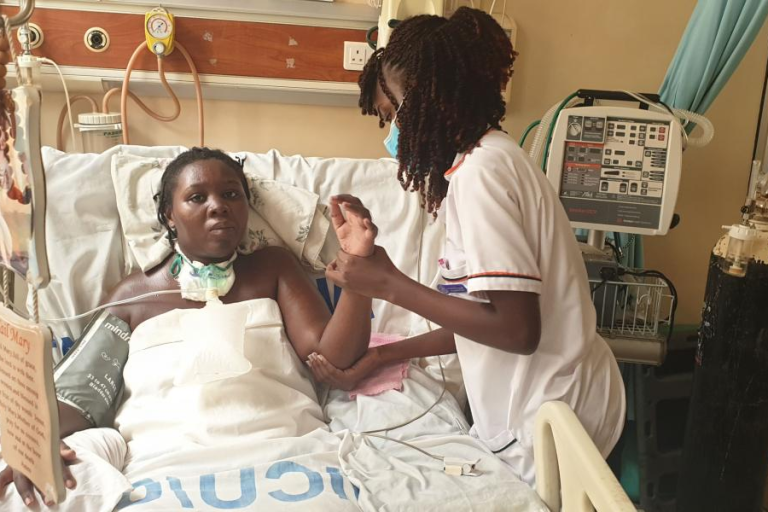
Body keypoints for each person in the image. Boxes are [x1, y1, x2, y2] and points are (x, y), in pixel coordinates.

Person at [308, 7, 625, 486]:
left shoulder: (482, 175)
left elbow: (517, 330)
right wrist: (385, 355)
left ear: (425, 100)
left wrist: (388, 284)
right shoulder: (484, 163)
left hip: (555, 419)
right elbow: (480, 319)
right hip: (554, 405)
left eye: (392, 115)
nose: (393, 135)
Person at [0, 147, 376, 507]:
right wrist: (33, 445)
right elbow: (80, 395)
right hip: (166, 468)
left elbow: (333, 358)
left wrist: (360, 265)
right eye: (197, 197)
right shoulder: (133, 296)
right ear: (169, 215)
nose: (218, 205)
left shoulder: (273, 269)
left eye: (231, 194)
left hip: (285, 451)